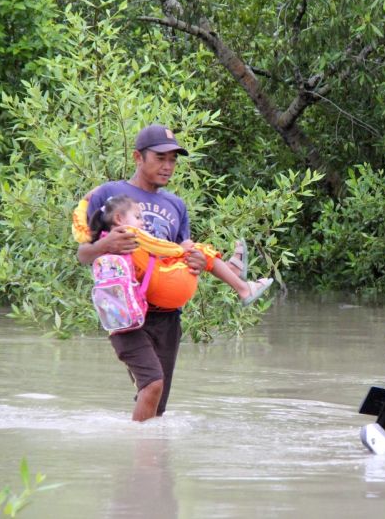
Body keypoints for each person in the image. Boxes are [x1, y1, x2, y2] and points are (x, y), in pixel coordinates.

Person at [75, 124, 260, 421]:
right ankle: (140, 451)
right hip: (127, 311)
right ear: (138, 157)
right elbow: (82, 254)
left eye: (173, 159)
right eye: (160, 158)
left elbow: (178, 256)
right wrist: (106, 244)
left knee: (157, 403)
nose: (168, 166)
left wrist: (197, 263)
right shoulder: (111, 194)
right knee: (153, 383)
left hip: (166, 314)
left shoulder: (176, 205)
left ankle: (145, 460)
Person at [88, 194, 272, 308]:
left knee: (192, 253)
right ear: (119, 218)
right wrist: (180, 249)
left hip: (153, 293)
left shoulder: (107, 239)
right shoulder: (130, 233)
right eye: (137, 217)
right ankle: (243, 288)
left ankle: (232, 272)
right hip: (167, 285)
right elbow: (159, 246)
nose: (142, 222)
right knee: (197, 249)